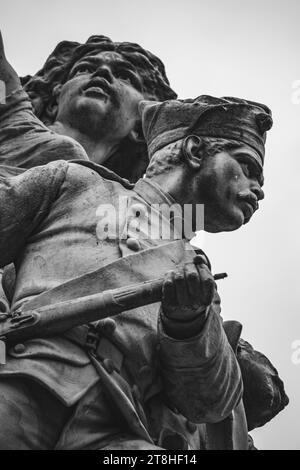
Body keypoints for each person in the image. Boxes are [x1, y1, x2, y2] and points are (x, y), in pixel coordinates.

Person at [0, 94, 274, 450]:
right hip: (26, 385)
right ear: (194, 151)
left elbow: (210, 402)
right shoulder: (75, 182)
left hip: (122, 425)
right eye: (248, 167)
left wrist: (187, 322)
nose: (259, 190)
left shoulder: (196, 270)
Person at [0, 31, 176, 181]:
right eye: (83, 69)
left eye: (125, 76)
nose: (103, 72)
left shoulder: (125, 206)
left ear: (140, 126)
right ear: (55, 101)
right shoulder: (10, 118)